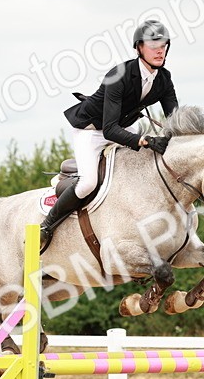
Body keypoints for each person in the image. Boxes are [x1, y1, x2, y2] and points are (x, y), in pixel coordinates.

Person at [40, 19, 178, 250]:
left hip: (123, 127)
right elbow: (110, 129)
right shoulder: (120, 74)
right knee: (88, 183)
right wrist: (143, 140)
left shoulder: (164, 79)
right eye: (153, 45)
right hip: (92, 130)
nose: (160, 50)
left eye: (163, 44)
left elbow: (174, 119)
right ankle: (47, 225)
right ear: (139, 48)